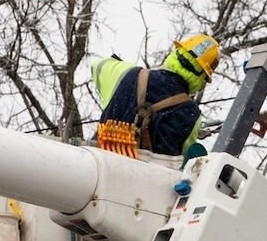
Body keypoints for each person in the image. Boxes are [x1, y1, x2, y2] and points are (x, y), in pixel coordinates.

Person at [90, 34, 222, 157]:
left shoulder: (126, 73)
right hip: (142, 179)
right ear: (202, 77)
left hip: (96, 168)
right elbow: (185, 164)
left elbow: (97, 66)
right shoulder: (192, 117)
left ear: (176, 53)